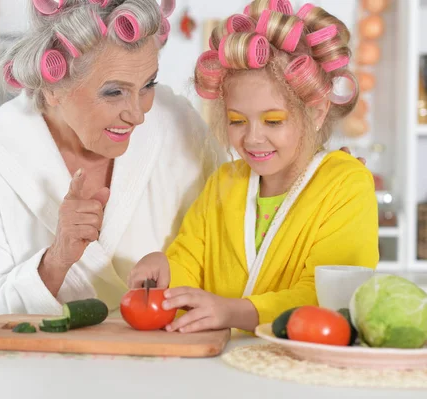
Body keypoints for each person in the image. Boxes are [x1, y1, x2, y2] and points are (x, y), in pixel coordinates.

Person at [0, 0, 366, 319]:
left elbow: (220, 246)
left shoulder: (176, 122)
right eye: (113, 91)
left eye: (147, 84)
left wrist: (322, 182)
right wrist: (56, 261)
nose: (138, 112)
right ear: (51, 85)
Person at [128, 0, 379, 333]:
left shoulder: (346, 185)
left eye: (273, 121)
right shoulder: (224, 182)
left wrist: (234, 312)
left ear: (316, 112)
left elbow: (329, 295)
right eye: (237, 121)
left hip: (301, 367)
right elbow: (190, 256)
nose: (253, 138)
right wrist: (166, 269)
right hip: (222, 363)